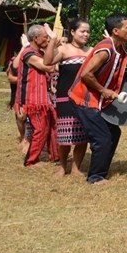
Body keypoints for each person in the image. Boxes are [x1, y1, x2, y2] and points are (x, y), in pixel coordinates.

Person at [68, 13, 127, 184]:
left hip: (99, 100)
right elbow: (86, 74)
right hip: (84, 98)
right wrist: (104, 90)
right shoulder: (106, 49)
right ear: (116, 30)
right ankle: (95, 177)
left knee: (113, 132)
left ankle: (101, 171)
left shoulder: (119, 49)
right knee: (102, 137)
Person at [43, 19, 92, 177]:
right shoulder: (64, 50)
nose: (86, 34)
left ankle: (76, 167)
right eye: (82, 31)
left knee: (83, 135)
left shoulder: (91, 51)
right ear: (72, 32)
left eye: (88, 32)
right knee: (65, 135)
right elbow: (47, 61)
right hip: (65, 97)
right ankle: (63, 166)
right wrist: (52, 41)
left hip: (85, 98)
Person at [15, 25, 58, 166]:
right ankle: (31, 160)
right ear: (35, 38)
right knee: (40, 129)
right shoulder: (28, 53)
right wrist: (53, 45)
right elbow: (48, 66)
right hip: (33, 100)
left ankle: (54, 155)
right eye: (45, 37)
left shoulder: (39, 52)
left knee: (51, 126)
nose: (47, 39)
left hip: (43, 99)